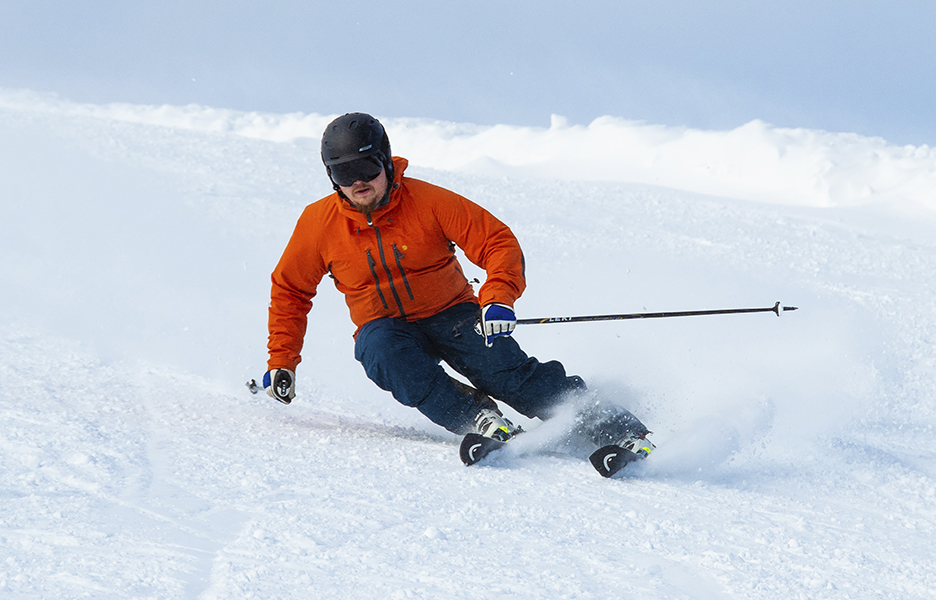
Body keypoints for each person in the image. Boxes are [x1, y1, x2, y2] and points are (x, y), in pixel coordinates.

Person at [263, 112, 586, 440]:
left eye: (367, 167)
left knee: (502, 373)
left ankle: (598, 418)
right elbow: (290, 290)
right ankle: (477, 418)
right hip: (388, 331)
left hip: (453, 317)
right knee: (379, 351)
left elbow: (497, 242)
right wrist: (282, 359)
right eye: (344, 172)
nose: (358, 182)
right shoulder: (319, 224)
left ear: (386, 162)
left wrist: (498, 298)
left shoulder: (428, 202)